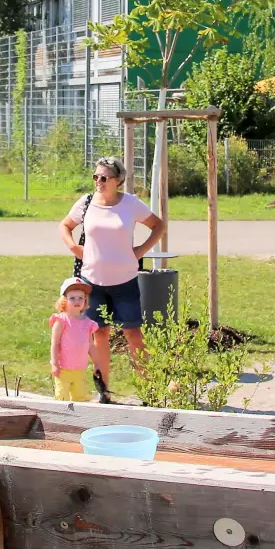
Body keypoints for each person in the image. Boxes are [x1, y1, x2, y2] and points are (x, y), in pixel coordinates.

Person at [57, 157, 166, 401]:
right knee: (100, 335)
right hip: (92, 282)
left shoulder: (131, 204)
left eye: (104, 178)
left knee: (133, 334)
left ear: (118, 181)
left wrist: (139, 251)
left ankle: (148, 390)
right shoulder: (86, 203)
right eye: (95, 177)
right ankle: (103, 392)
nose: (98, 182)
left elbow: (158, 226)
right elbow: (64, 226)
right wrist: (74, 247)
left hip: (125, 281)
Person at [49, 278, 99, 402]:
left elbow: (90, 345)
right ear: (64, 301)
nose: (77, 301)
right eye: (72, 298)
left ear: (85, 300)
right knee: (62, 398)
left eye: (81, 298)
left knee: (80, 397)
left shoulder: (88, 323)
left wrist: (96, 363)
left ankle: (77, 418)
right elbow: (55, 344)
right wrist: (55, 364)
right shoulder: (61, 321)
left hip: (79, 369)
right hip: (63, 369)